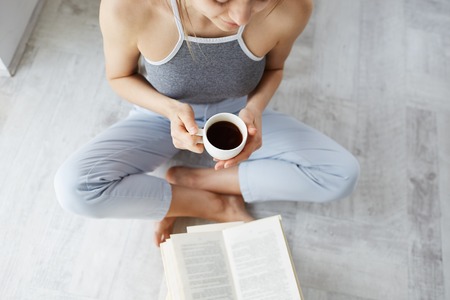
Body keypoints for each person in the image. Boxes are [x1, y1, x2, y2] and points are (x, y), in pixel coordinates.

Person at [54, 0, 360, 246]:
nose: (241, 16)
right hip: (160, 116)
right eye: (221, 0)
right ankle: (212, 206)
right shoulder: (128, 6)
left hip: (238, 112)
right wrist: (170, 110)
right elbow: (119, 77)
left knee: (342, 175)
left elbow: (274, 68)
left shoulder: (291, 6)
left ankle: (194, 179)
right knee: (74, 188)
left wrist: (255, 108)